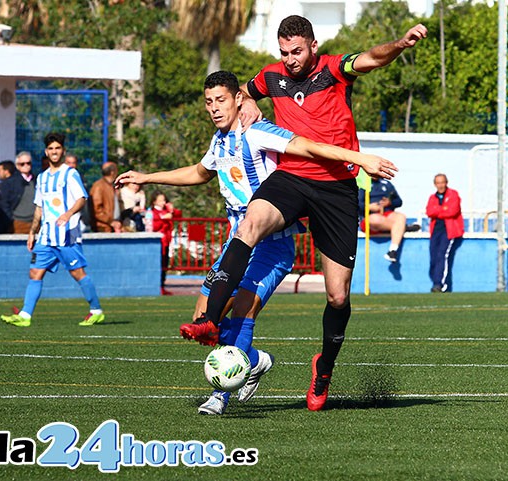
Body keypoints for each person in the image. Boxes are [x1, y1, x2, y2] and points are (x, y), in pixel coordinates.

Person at [116, 71, 395, 415]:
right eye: (208, 102)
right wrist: (147, 177)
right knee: (205, 320)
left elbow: (307, 146)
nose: (214, 108)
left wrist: (360, 159)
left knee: (244, 311)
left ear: (238, 99)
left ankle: (220, 395)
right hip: (238, 244)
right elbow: (199, 173)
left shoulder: (259, 131)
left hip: (272, 247)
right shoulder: (219, 141)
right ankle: (255, 360)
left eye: (221, 100)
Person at [183, 15, 424, 411]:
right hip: (292, 178)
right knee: (250, 223)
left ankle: (324, 367)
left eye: (297, 51)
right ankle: (211, 319)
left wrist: (399, 44)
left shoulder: (333, 68)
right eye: (284, 52)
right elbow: (239, 90)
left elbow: (370, 59)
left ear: (313, 45)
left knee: (337, 295)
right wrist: (246, 103)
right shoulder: (271, 77)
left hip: (337, 189)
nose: (291, 60)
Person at [0, 132, 105, 327]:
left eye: (57, 148)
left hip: (67, 236)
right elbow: (39, 207)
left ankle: (96, 310)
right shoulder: (42, 178)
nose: (54, 152)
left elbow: (82, 198)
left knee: (78, 273)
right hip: (46, 237)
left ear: (63, 151)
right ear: (46, 152)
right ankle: (25, 315)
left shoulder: (70, 174)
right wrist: (32, 232)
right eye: (51, 149)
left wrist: (67, 214)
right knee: (35, 273)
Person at [358, 177, 420, 263]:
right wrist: (368, 207)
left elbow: (399, 201)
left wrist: (390, 202)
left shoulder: (386, 184)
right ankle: (401, 228)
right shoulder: (362, 184)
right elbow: (356, 204)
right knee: (375, 219)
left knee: (401, 217)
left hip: (386, 214)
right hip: (370, 217)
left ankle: (392, 250)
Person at [426, 173, 463, 292]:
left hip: (449, 230)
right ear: (435, 184)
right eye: (438, 183)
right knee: (433, 256)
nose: (440, 185)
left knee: (443, 255)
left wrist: (438, 211)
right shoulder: (433, 197)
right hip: (436, 230)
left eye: (442, 182)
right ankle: (435, 281)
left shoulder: (453, 194)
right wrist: (442, 210)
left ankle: (440, 284)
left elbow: (453, 211)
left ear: (446, 183)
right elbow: (429, 211)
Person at [149, 190, 181, 295]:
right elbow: (154, 226)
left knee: (164, 264)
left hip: (166, 241)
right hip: (159, 242)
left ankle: (162, 285)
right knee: (158, 264)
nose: (163, 202)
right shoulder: (152, 212)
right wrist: (163, 219)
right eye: (160, 200)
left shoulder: (166, 210)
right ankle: (158, 286)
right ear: (154, 201)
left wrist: (171, 210)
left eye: (164, 200)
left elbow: (178, 214)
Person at [88, 162, 122, 233]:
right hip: (103, 227)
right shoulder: (99, 186)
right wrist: (110, 221)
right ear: (112, 172)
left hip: (112, 226)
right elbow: (96, 209)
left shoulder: (111, 186)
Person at [0, 160, 23, 234]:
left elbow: (4, 203)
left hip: (6, 221)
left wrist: (9, 218)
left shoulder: (5, 184)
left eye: (0, 170)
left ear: (6, 171)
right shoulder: (18, 181)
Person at [12, 152, 36, 234]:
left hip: (35, 222)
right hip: (18, 223)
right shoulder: (11, 182)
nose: (26, 166)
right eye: (22, 164)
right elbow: (5, 203)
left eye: (28, 163)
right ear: (17, 166)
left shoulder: (36, 181)